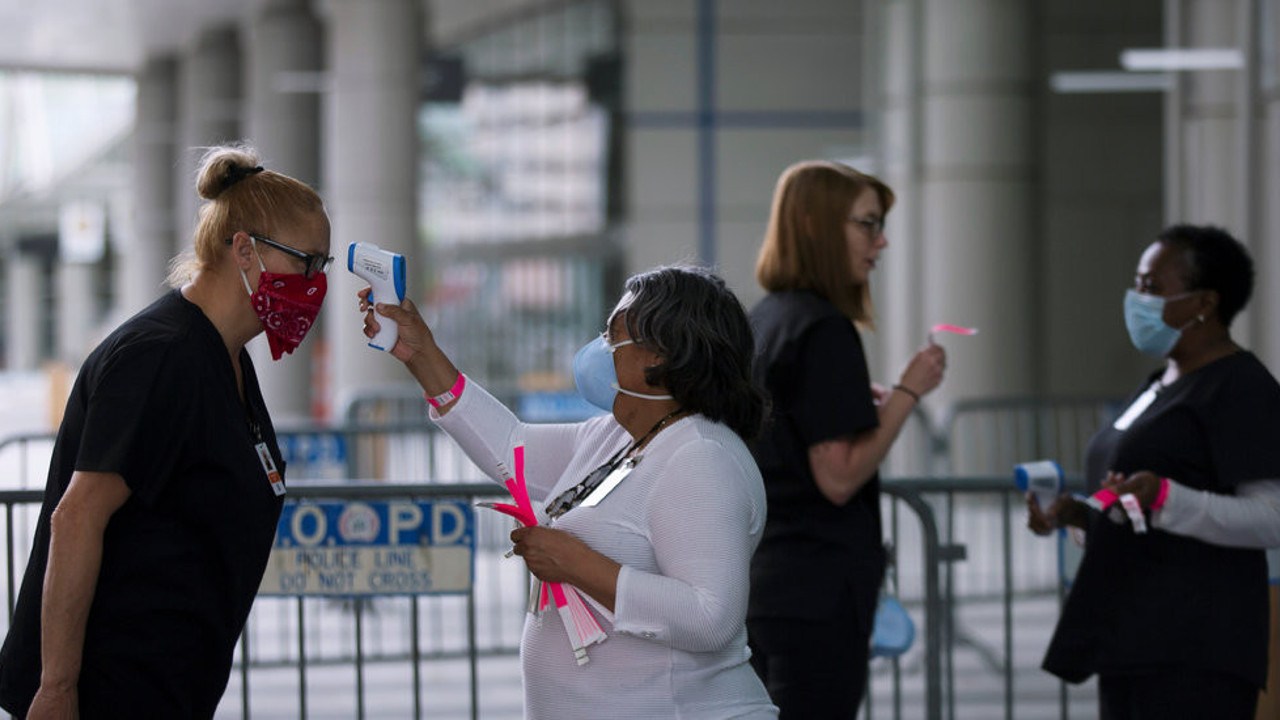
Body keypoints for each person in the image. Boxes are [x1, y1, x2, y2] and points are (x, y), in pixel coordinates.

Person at [0, 145, 331, 718]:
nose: (315, 283)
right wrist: (56, 690)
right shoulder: (160, 357)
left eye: (322, 267)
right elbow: (76, 517)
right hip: (106, 692)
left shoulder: (224, 355)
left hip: (168, 689)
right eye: (306, 262)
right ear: (244, 249)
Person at [360, 264, 778, 718]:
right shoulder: (617, 436)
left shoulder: (701, 456)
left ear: (658, 354)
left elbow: (710, 616)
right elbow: (510, 447)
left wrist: (578, 565)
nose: (600, 348)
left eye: (612, 335)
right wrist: (421, 354)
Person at [1028, 224, 1280, 720]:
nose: (1136, 299)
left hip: (1196, 643)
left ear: (1204, 302)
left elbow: (1272, 517)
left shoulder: (1241, 386)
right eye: (1136, 284)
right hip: (1132, 634)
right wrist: (1083, 517)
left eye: (1151, 287)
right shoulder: (1156, 385)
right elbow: (1132, 502)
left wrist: (1167, 498)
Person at [746, 160, 946, 717]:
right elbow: (837, 476)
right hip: (815, 591)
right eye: (866, 224)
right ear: (814, 226)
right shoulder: (824, 328)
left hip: (765, 583)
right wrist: (910, 391)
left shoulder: (768, 319)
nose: (880, 243)